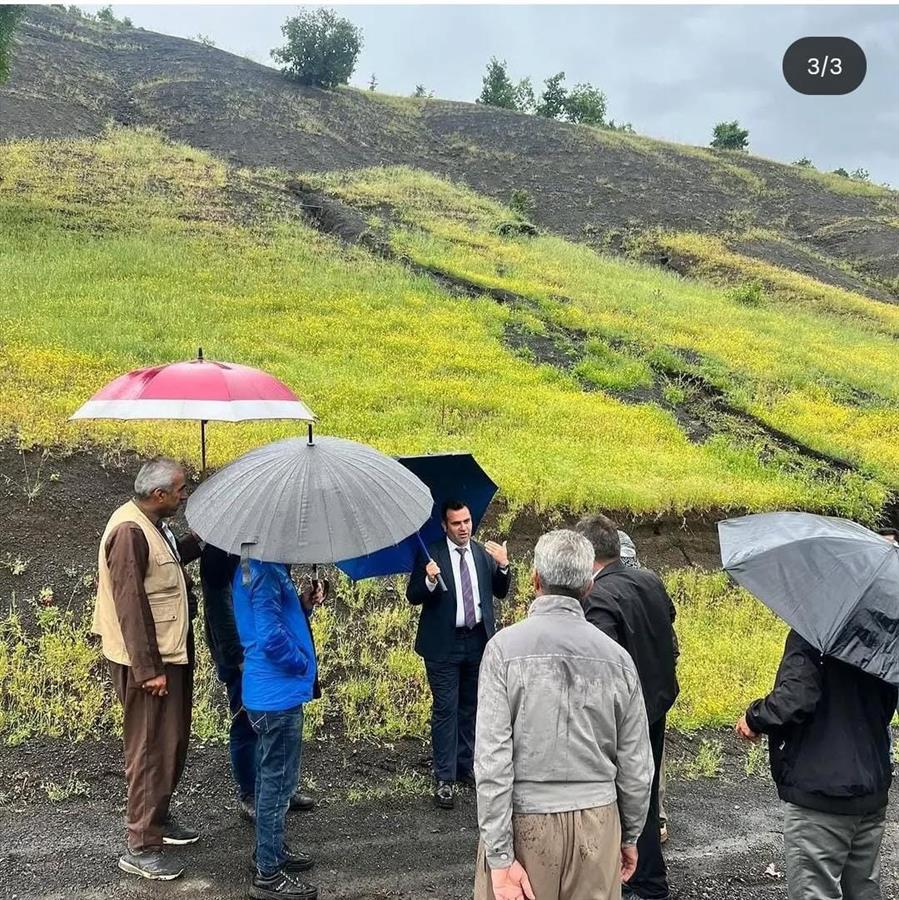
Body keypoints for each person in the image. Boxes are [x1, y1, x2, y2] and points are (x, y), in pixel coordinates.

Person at [474, 529, 653, 900]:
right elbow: (637, 764)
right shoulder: (618, 660)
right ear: (589, 586)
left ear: (536, 579)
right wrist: (630, 835)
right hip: (598, 825)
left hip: (525, 825)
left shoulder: (502, 651)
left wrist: (500, 855)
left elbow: (492, 762)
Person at [92, 457, 201, 881]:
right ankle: (141, 845)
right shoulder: (128, 532)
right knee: (148, 748)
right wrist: (147, 669)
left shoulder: (153, 524)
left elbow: (167, 566)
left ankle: (158, 818)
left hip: (168, 655)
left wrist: (203, 540)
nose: (184, 494)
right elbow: (130, 606)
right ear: (159, 496)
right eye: (180, 490)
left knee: (170, 740)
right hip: (149, 663)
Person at [736, 630, 898, 900]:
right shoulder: (886, 631)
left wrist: (755, 717)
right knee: (864, 891)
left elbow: (795, 697)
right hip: (871, 785)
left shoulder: (815, 629)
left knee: (816, 892)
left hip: (820, 793)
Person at [578, 515, 678, 900]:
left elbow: (598, 665)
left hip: (622, 715)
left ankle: (632, 879)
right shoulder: (650, 580)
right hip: (657, 701)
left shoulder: (597, 598)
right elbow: (668, 622)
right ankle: (650, 882)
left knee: (617, 798)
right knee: (645, 792)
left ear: (587, 555)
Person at [406, 500, 512, 809]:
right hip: (443, 644)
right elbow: (413, 595)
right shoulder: (431, 554)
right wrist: (428, 579)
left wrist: (504, 566)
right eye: (457, 523)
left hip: (477, 641)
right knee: (445, 709)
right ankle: (444, 778)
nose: (464, 528)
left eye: (467, 521)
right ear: (445, 526)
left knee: (471, 706)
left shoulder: (481, 553)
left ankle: (465, 766)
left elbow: (500, 591)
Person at [200, 545, 316, 823]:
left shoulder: (271, 546)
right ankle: (251, 793)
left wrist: (302, 603)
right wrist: (236, 658)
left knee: (282, 724)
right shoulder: (219, 551)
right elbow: (218, 606)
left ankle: (280, 791)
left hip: (271, 659)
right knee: (245, 723)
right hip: (243, 655)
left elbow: (272, 609)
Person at [231, 558, 324, 900]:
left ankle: (269, 851)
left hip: (271, 691)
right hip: (277, 695)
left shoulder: (263, 569)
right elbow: (270, 637)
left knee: (273, 780)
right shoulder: (265, 573)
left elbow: (273, 621)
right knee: (276, 786)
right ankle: (268, 875)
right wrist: (301, 663)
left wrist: (302, 603)